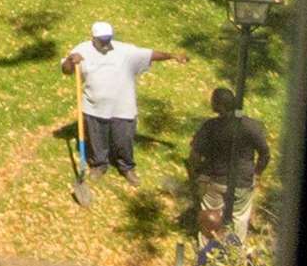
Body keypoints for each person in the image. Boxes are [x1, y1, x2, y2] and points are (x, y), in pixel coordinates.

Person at [60, 21, 170, 181]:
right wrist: (71, 61)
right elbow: (66, 70)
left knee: (123, 140)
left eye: (108, 39)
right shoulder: (81, 49)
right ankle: (99, 165)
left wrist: (172, 56)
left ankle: (126, 167)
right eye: (102, 40)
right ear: (93, 38)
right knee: (97, 140)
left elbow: (149, 54)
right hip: (94, 106)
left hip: (122, 107)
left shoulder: (124, 50)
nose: (105, 43)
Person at [187, 84, 272, 233]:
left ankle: (209, 252)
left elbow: (194, 155)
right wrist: (256, 174)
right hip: (243, 183)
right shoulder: (252, 126)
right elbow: (265, 154)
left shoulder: (210, 126)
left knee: (210, 218)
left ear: (219, 105)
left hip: (216, 181)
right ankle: (234, 253)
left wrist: (197, 173)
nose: (211, 103)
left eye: (213, 101)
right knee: (239, 219)